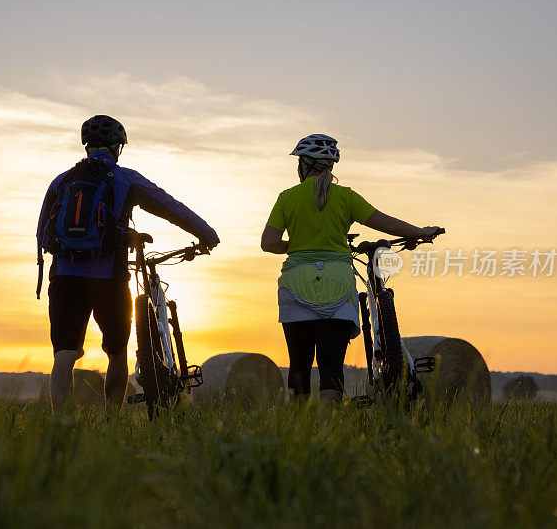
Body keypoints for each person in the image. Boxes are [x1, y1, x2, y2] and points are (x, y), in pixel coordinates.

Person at [37, 115, 219, 412]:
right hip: (110, 276)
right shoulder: (125, 178)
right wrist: (206, 234)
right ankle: (112, 421)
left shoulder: (60, 182)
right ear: (116, 147)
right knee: (117, 352)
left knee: (65, 354)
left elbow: (41, 232)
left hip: (65, 276)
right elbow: (170, 206)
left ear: (87, 146)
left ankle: (62, 427)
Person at [261, 134, 441, 404]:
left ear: (305, 165)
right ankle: (328, 426)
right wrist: (420, 231)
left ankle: (298, 430)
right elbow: (387, 224)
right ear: (331, 166)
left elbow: (269, 243)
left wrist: (300, 244)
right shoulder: (346, 197)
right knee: (331, 364)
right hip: (338, 282)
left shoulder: (287, 197)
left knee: (299, 363)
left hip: (296, 285)